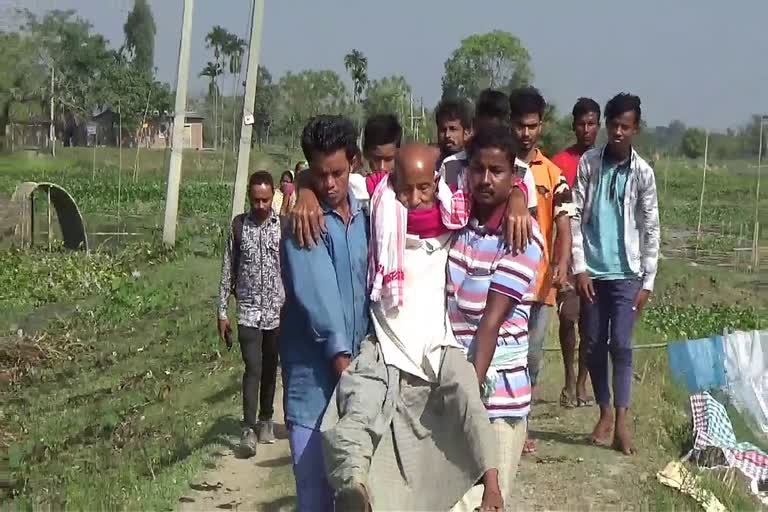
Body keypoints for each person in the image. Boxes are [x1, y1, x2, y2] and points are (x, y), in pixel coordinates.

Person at [322, 143, 504, 511]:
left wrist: (515, 200)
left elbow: (505, 192)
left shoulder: (455, 218)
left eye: (424, 188)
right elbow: (329, 180)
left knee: (467, 394)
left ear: (436, 183)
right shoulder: (378, 209)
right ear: (392, 182)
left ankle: (493, 486)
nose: (415, 198)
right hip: (386, 342)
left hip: (437, 342)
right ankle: (353, 487)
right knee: (356, 405)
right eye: (406, 189)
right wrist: (306, 194)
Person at [448, 124, 544, 510]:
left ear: (514, 176)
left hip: (497, 396)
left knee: (485, 501)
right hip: (456, 386)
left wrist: (467, 405)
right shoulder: (459, 225)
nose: (485, 179)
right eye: (478, 169)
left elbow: (490, 323)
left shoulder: (521, 235)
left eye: (497, 171)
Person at [279, 115, 370, 510]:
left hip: (360, 379)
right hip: (314, 386)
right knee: (315, 496)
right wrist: (344, 368)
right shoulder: (303, 220)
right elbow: (321, 306)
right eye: (319, 175)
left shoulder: (370, 216)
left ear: (355, 162)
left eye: (337, 173)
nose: (329, 184)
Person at [571, 93, 660, 455]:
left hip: (628, 273)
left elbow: (652, 228)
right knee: (592, 343)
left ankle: (622, 420)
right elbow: (574, 215)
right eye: (614, 125)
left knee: (621, 344)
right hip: (593, 271)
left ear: (636, 129)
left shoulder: (643, 173)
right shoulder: (590, 164)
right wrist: (579, 266)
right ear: (606, 126)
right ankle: (604, 411)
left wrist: (648, 280)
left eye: (626, 126)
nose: (619, 132)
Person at [508, 86, 574, 454]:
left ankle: (522, 424)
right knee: (505, 356)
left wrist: (562, 267)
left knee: (531, 357)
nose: (526, 133)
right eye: (520, 125)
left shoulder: (553, 174)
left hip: (540, 283)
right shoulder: (497, 168)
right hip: (502, 283)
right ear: (510, 124)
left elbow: (564, 225)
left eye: (532, 126)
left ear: (541, 126)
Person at [217, 171, 283, 457]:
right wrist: (221, 311)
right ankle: (248, 428)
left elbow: (291, 269)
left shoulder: (284, 227)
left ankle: (266, 418)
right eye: (255, 200)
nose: (260, 206)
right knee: (252, 368)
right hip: (247, 311)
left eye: (265, 200)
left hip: (276, 312)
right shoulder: (238, 227)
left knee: (270, 367)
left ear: (272, 197)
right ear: (249, 198)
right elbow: (227, 268)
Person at [550, 97, 601, 407]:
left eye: (592, 123)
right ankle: (568, 377)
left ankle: (583, 383)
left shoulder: (605, 161)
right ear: (574, 126)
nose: (586, 129)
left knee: (591, 325)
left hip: (597, 256)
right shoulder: (560, 163)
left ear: (599, 126)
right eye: (581, 123)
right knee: (568, 318)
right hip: (568, 254)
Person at [435, 97, 473, 165]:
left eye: (453, 129)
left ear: (466, 133)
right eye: (443, 130)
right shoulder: (431, 166)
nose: (447, 135)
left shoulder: (475, 167)